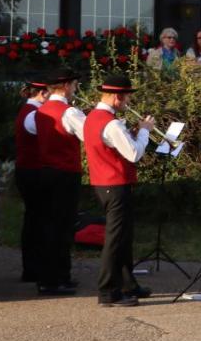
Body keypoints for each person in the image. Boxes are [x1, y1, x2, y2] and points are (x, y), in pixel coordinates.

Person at [83, 73, 154, 307]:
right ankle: (107, 291)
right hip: (114, 184)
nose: (128, 103)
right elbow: (134, 153)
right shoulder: (111, 123)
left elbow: (112, 147)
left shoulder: (93, 117)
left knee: (123, 237)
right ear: (116, 97)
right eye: (126, 98)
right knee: (115, 240)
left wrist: (131, 134)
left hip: (103, 183)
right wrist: (144, 131)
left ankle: (128, 284)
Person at [25, 66, 85, 296]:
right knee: (62, 227)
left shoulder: (39, 111)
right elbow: (89, 134)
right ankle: (53, 279)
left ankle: (56, 276)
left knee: (51, 226)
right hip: (65, 173)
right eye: (74, 85)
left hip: (46, 171)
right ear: (67, 86)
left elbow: (33, 131)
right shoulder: (69, 112)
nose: (76, 88)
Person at [13, 77, 48, 283]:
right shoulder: (34, 115)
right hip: (32, 171)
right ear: (43, 93)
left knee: (35, 219)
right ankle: (33, 268)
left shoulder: (30, 112)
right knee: (36, 220)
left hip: (28, 170)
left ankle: (33, 267)